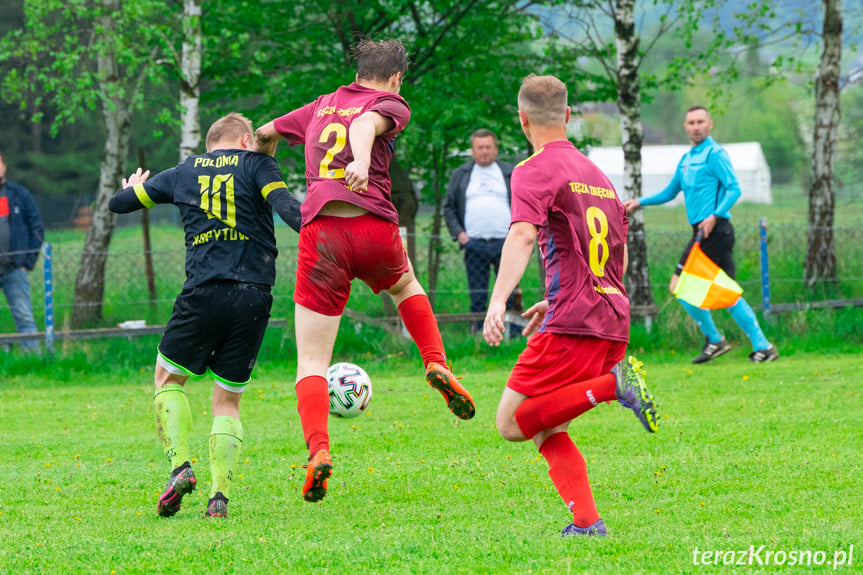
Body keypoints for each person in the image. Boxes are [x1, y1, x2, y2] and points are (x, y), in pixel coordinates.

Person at [253, 38, 475, 504]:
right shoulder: (391, 103)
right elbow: (368, 125)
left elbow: (263, 132)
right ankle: (435, 362)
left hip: (323, 236)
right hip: (372, 226)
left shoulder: (319, 106)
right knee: (405, 284)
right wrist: (359, 159)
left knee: (311, 362)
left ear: (357, 71)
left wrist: (266, 167)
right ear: (396, 78)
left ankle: (318, 452)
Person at [483, 74, 659, 537]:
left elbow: (522, 234)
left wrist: (498, 300)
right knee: (544, 421)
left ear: (521, 119)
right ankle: (587, 522)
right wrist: (553, 296)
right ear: (566, 115)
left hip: (577, 321)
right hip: (609, 314)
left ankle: (614, 386)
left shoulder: (532, 169)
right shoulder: (598, 175)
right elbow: (608, 249)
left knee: (511, 423)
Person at [108, 113, 302, 519]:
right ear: (247, 139)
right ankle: (219, 498)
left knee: (168, 378)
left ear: (211, 142)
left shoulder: (184, 171)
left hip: (203, 291)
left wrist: (133, 188)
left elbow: (120, 204)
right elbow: (289, 210)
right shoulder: (257, 164)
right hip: (254, 295)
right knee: (227, 401)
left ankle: (180, 467)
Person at [623, 106, 778, 364]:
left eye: (700, 122)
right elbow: (670, 192)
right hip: (703, 232)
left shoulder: (715, 154)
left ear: (710, 124)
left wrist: (715, 215)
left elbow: (733, 189)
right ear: (686, 126)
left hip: (715, 231)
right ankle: (760, 345)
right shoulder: (686, 160)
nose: (696, 126)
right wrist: (639, 201)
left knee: (679, 285)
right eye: (691, 122)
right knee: (728, 295)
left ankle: (716, 339)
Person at [443, 129, 520, 333]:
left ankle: (511, 334)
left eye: (488, 147)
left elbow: (523, 204)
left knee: (509, 293)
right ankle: (477, 334)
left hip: (507, 244)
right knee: (478, 295)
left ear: (495, 150)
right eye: (480, 147)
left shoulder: (509, 173)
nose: (484, 151)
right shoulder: (462, 175)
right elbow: (449, 207)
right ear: (473, 150)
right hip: (474, 244)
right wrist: (460, 234)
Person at [0, 151, 44, 354]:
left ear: (4, 165)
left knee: (24, 318)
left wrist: (27, 261)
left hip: (14, 269)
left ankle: (33, 362)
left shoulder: (19, 194)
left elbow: (36, 228)